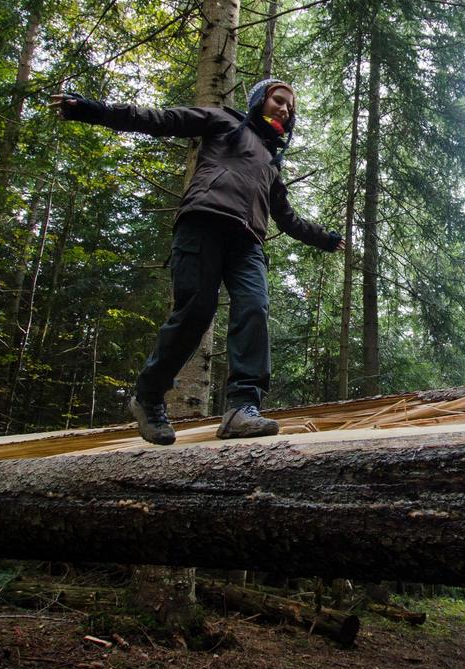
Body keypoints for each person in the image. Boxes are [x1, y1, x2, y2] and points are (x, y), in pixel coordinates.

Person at [48, 78, 344, 445]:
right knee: (196, 312)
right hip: (203, 221)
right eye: (278, 100)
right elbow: (161, 119)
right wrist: (95, 110)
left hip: (248, 242)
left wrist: (327, 239)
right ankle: (149, 396)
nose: (284, 109)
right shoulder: (223, 121)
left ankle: (241, 408)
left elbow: (287, 218)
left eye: (290, 107)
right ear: (258, 101)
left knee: (254, 308)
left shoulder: (271, 161)